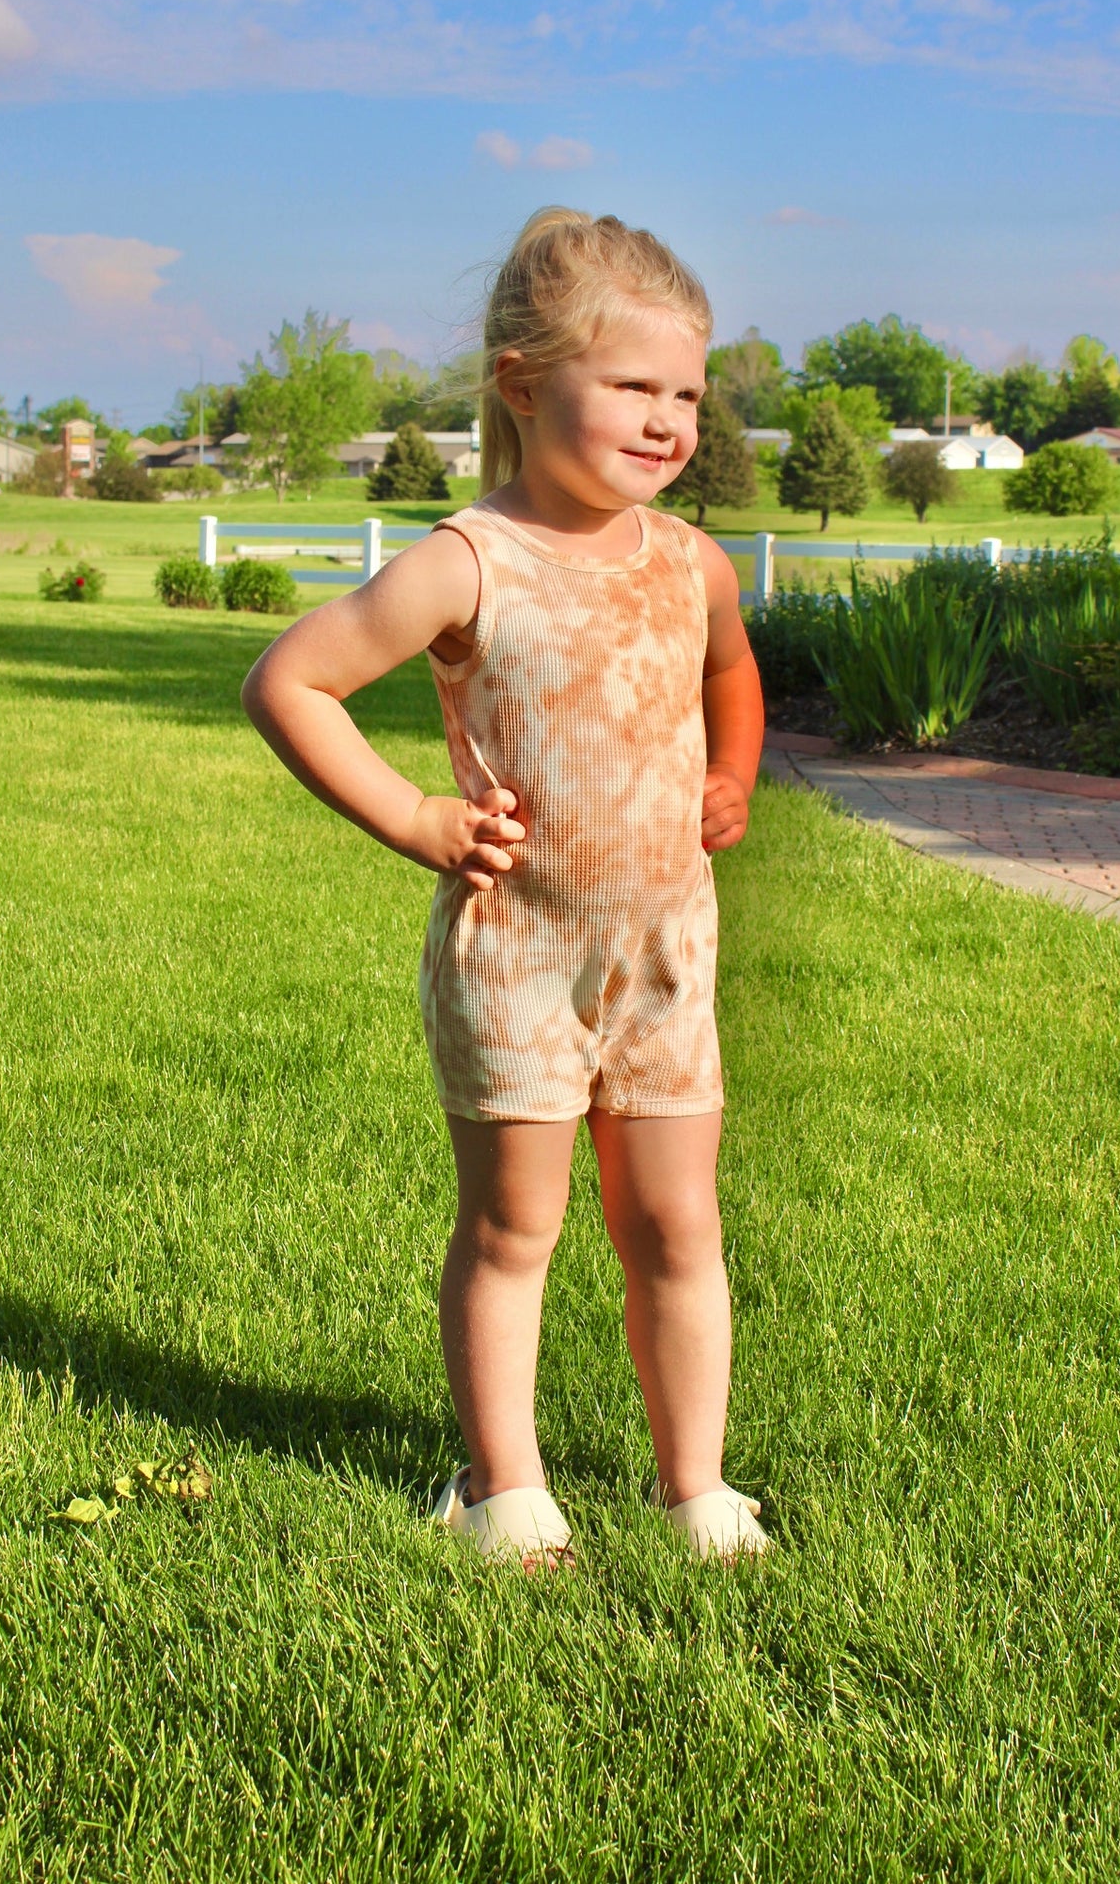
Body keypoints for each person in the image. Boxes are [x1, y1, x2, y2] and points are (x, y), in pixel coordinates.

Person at [242, 208, 768, 1568]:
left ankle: (693, 1485)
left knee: (677, 1222)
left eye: (686, 394)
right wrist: (414, 815)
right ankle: (502, 1485)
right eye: (632, 386)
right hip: (517, 959)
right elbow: (290, 683)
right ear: (524, 383)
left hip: (664, 957)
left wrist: (736, 774)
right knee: (514, 1224)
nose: (665, 421)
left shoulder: (688, 559)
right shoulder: (467, 559)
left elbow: (726, 668)